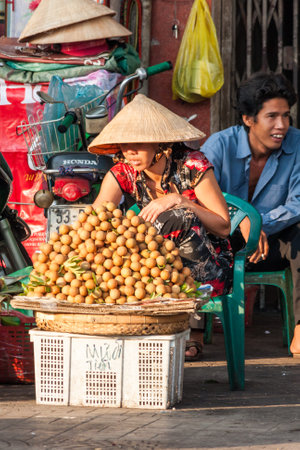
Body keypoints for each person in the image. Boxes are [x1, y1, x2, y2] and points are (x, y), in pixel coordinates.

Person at [89, 94, 233, 361]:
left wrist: (181, 200)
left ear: (160, 143)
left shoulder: (192, 164)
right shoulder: (123, 172)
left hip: (208, 260)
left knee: (180, 216)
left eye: (139, 144)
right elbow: (98, 215)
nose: (131, 151)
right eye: (126, 144)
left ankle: (193, 330)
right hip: (153, 261)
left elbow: (223, 227)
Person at [201, 72, 300, 355]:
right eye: (272, 116)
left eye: (286, 116)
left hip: (272, 241)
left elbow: (297, 203)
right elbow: (203, 200)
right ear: (248, 119)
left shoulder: (298, 144)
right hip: (223, 240)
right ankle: (193, 333)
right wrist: (244, 224)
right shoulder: (219, 146)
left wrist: (258, 226)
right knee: (187, 233)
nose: (281, 125)